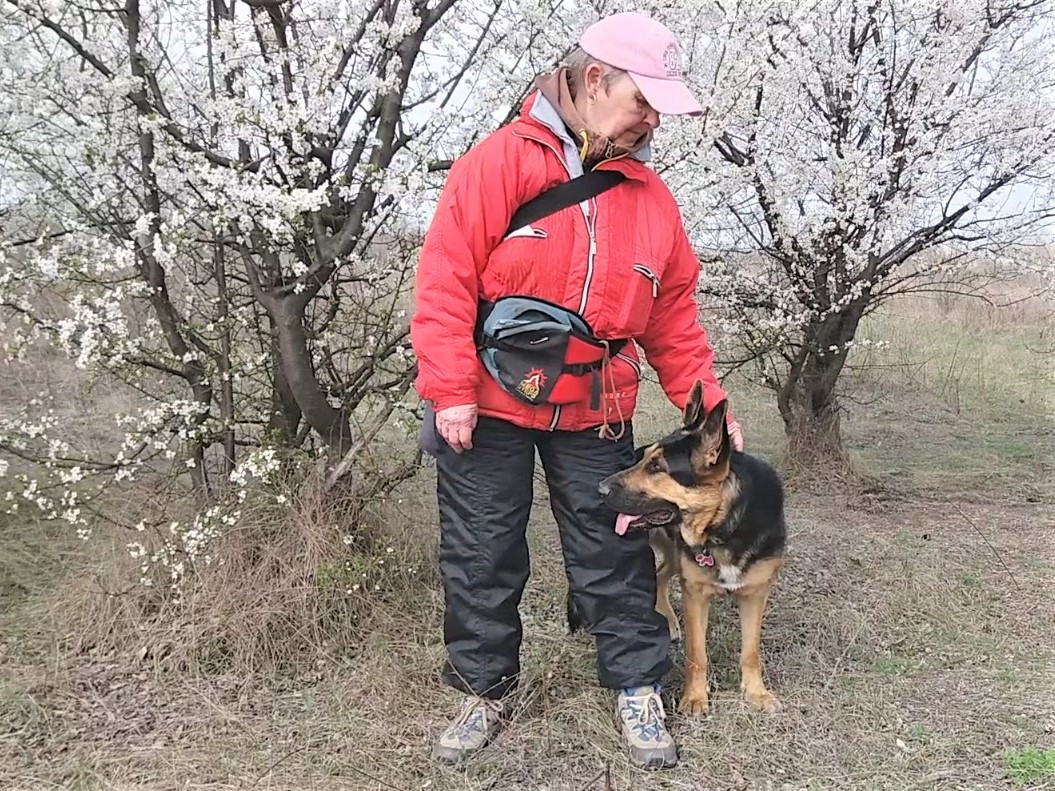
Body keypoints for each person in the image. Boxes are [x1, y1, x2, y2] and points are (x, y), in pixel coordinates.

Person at [409, 10, 744, 771]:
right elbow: (445, 281)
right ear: (594, 81)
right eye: (642, 100)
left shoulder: (651, 199)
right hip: (487, 402)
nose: (651, 118)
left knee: (612, 547)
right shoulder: (497, 163)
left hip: (597, 405)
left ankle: (635, 682)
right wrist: (449, 389)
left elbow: (674, 317)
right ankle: (483, 686)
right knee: (481, 548)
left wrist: (709, 407)